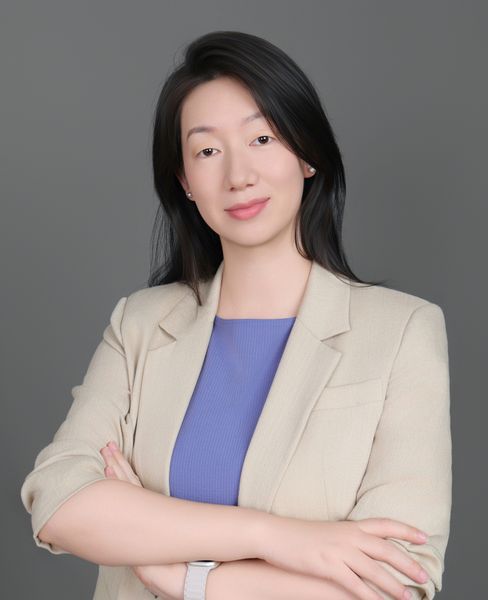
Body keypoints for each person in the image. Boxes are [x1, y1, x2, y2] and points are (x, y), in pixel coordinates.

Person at [20, 30, 451, 600]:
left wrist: (182, 575)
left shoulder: (401, 331)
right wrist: (277, 537)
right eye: (207, 151)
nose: (238, 175)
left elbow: (398, 576)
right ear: (184, 182)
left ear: (307, 154)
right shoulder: (140, 324)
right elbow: (59, 502)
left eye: (262, 138)